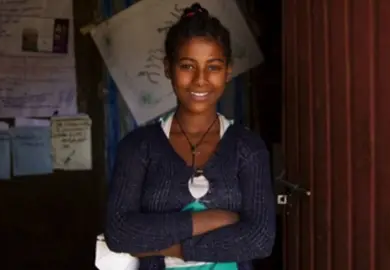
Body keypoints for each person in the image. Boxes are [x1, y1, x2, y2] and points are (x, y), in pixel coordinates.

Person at [104, 3, 276, 270]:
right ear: (168, 68)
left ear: (228, 71)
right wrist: (213, 219)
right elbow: (119, 233)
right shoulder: (139, 147)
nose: (200, 80)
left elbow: (259, 239)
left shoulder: (248, 148)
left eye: (213, 67)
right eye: (187, 66)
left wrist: (172, 247)